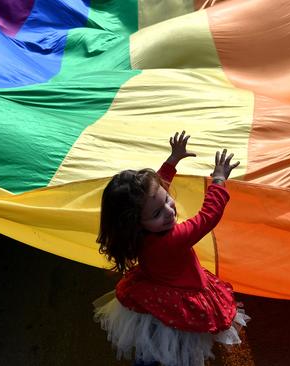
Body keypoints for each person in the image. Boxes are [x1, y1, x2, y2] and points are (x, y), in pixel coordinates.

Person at [94, 131, 249, 366]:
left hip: (158, 291)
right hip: (180, 298)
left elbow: (155, 189)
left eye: (167, 200)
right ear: (137, 221)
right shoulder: (172, 240)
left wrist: (172, 161)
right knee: (175, 349)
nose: (169, 211)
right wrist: (218, 180)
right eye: (157, 213)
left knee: (156, 339)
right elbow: (207, 217)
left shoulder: (137, 234)